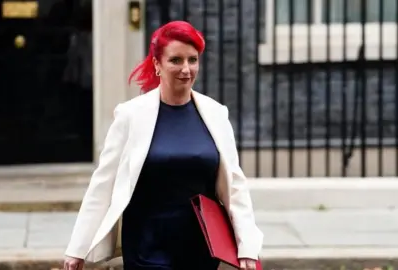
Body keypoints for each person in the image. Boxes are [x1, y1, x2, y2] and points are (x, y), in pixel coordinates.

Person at [63, 20, 263, 270]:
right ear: (157, 64)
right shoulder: (130, 115)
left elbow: (235, 186)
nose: (186, 69)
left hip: (200, 245)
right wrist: (78, 248)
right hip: (147, 244)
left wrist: (247, 246)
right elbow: (103, 183)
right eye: (176, 60)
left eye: (193, 59)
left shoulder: (215, 114)